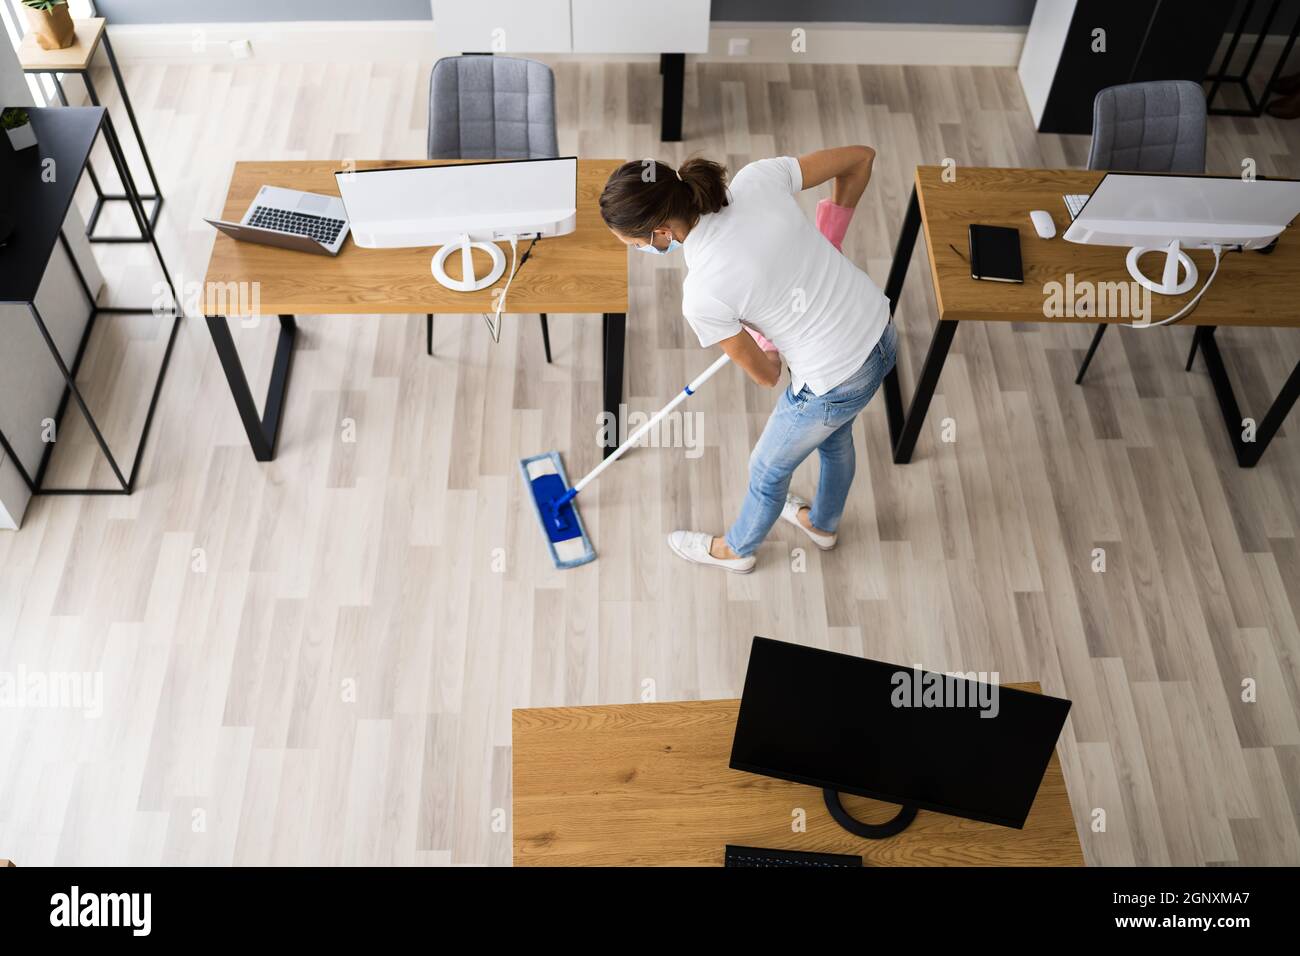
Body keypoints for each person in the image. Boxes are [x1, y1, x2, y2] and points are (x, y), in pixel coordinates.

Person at [597, 148, 896, 573]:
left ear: (660, 232)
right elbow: (862, 158)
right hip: (879, 328)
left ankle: (737, 550)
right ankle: (822, 525)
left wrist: (757, 331)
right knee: (835, 437)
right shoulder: (757, 179)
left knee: (767, 469)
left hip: (834, 378)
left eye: (633, 245)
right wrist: (831, 232)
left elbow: (768, 374)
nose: (637, 250)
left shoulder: (703, 294)